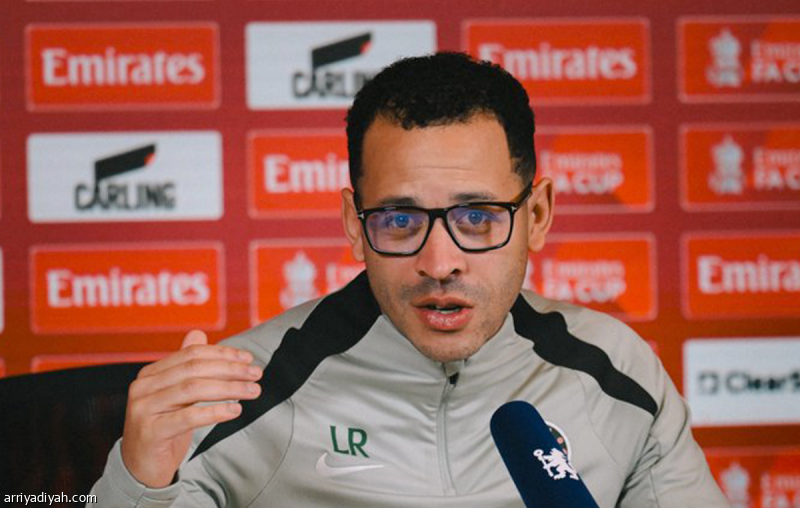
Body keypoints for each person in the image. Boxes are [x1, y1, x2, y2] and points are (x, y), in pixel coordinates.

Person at [90, 52, 729, 507]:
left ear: (536, 216)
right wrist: (138, 479)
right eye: (399, 220)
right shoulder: (247, 389)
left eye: (477, 217)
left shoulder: (617, 373)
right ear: (354, 224)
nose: (440, 262)